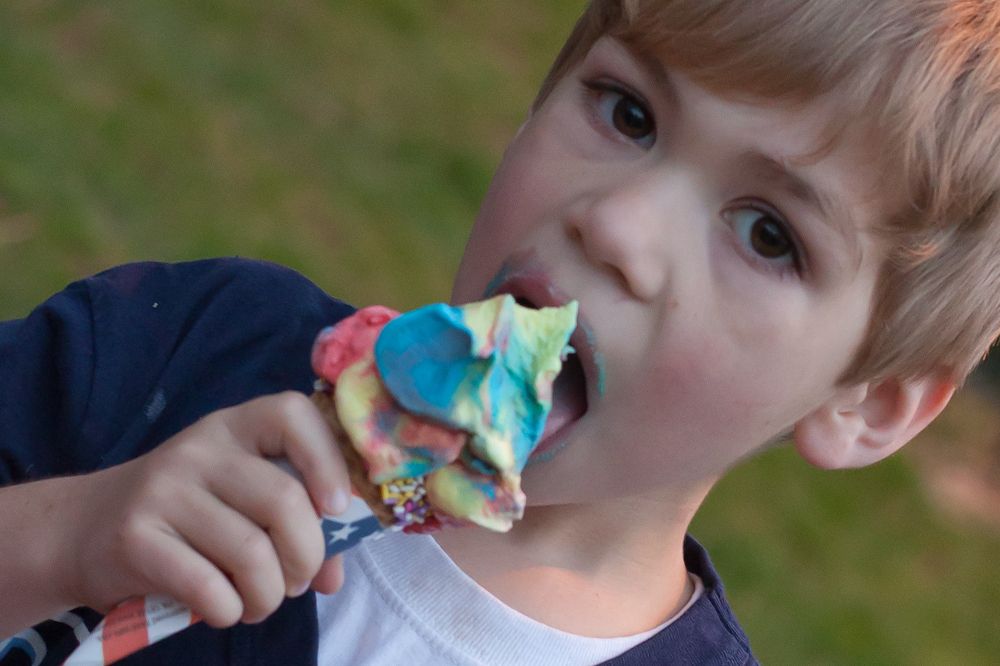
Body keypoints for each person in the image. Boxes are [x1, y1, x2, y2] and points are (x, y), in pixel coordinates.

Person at [3, 0, 1000, 663]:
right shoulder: (188, 354)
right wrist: (65, 538)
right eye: (628, 111)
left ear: (868, 402)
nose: (615, 224)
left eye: (766, 234)